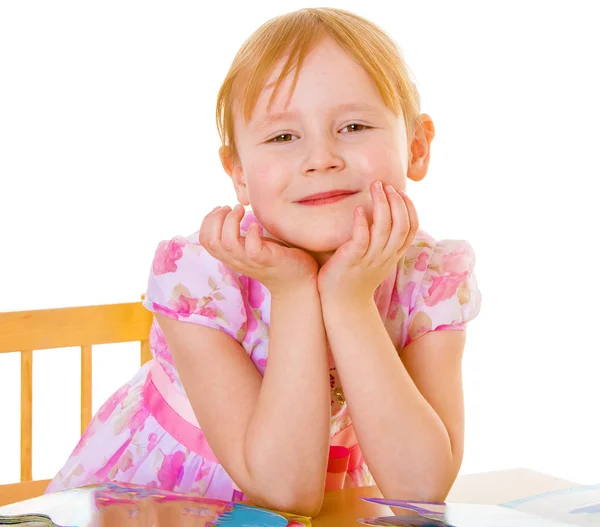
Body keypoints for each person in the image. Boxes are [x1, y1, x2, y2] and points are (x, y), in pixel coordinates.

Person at [46, 7, 481, 517]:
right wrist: (296, 293)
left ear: (417, 146)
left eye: (354, 125)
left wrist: (349, 299)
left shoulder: (428, 278)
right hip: (160, 505)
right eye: (283, 137)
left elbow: (421, 490)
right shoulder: (199, 276)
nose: (321, 158)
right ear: (240, 175)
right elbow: (281, 492)